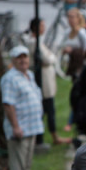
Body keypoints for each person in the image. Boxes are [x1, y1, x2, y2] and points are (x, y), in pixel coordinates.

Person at [0, 45, 45, 170]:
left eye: (25, 57)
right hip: (20, 128)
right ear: (13, 60)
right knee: (18, 163)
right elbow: (8, 104)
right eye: (19, 57)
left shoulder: (29, 75)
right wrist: (15, 126)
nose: (23, 60)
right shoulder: (10, 78)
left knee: (26, 163)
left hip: (32, 126)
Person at [28, 18, 69, 147]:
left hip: (46, 78)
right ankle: (50, 136)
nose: (44, 27)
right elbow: (47, 58)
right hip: (43, 80)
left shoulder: (38, 41)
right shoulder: (35, 42)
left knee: (46, 109)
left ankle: (45, 135)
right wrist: (52, 57)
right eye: (42, 25)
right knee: (48, 109)